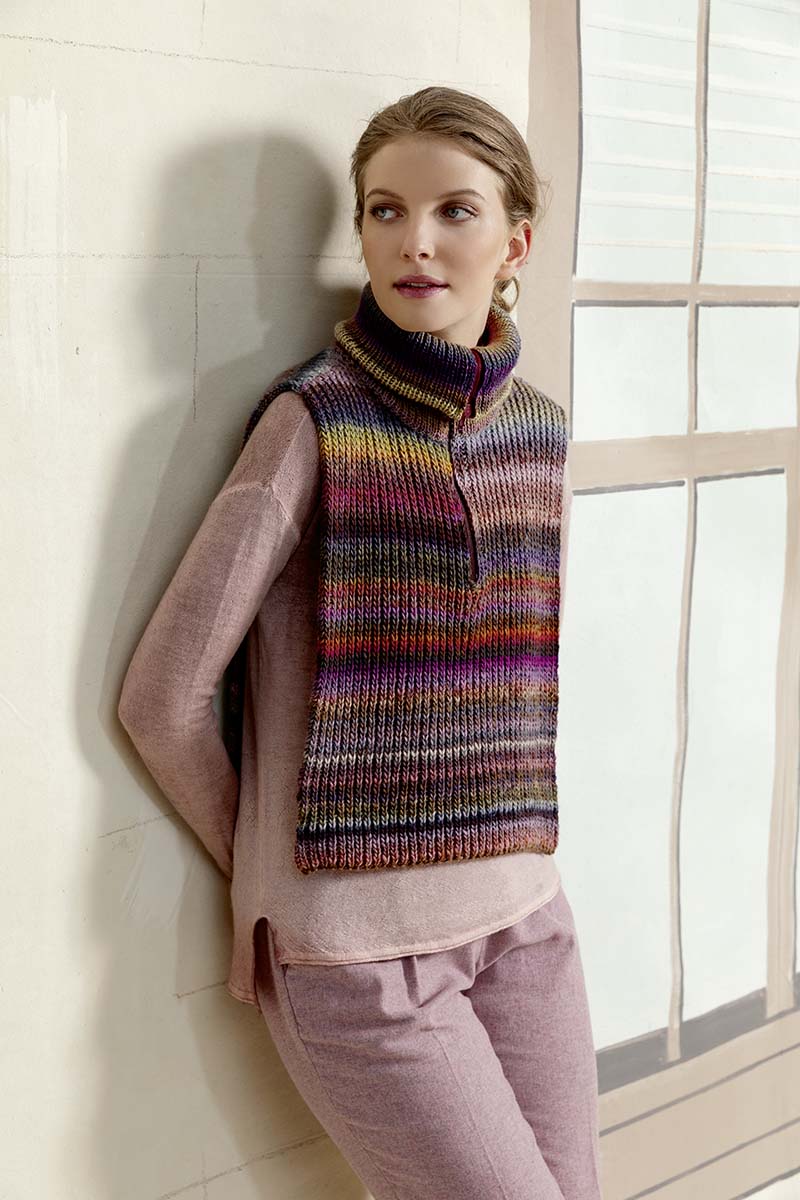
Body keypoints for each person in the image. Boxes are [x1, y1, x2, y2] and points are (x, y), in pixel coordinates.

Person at [118, 86, 603, 1200]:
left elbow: (518, 681)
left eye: (453, 211)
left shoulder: (539, 432)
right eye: (385, 211)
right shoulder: (313, 423)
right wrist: (276, 871)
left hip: (526, 919)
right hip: (359, 959)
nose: (413, 242)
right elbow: (162, 697)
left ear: (515, 244)